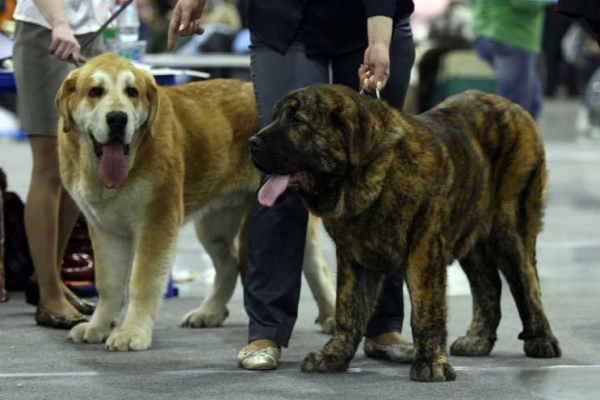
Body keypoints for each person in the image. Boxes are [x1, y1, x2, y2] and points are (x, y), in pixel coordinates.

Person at [168, 0, 416, 370]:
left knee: (378, 174)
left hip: (375, 17)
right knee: (282, 165)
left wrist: (378, 40)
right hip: (285, 20)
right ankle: (266, 329)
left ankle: (382, 326)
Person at [12, 0, 107, 329]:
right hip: (49, 32)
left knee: (77, 167)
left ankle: (48, 279)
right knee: (50, 167)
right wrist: (59, 22)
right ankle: (49, 294)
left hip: (93, 31)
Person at [470, 0, 546, 120]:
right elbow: (525, 3)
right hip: (511, 36)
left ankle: (519, 136)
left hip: (486, 31)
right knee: (515, 105)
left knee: (532, 101)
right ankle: (509, 138)